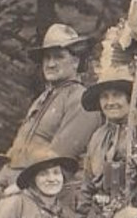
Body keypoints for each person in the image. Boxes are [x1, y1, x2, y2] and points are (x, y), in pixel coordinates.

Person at [7, 23, 101, 167]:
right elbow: (17, 149)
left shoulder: (81, 99)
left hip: (50, 183)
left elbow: (59, 157)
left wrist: (19, 184)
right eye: (47, 58)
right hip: (23, 180)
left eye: (58, 57)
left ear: (75, 62)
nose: (51, 64)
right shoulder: (42, 99)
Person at [81, 75, 137, 193]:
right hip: (101, 204)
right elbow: (88, 181)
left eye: (117, 95)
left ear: (131, 97)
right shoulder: (98, 135)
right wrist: (83, 209)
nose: (110, 102)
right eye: (104, 97)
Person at [0, 148, 80, 218]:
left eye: (56, 173)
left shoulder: (66, 214)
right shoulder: (15, 205)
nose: (51, 179)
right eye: (43, 174)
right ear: (33, 179)